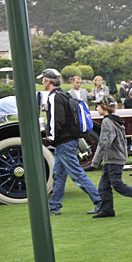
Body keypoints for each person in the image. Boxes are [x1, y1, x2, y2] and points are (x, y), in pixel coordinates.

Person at [42, 68, 100, 216]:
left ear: (48, 81)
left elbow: (56, 120)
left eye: (43, 79)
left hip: (64, 142)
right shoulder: (64, 94)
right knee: (59, 174)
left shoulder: (54, 97)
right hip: (71, 140)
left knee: (77, 174)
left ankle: (100, 201)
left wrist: (51, 138)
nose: (42, 82)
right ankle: (54, 206)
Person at [89, 96, 132, 218]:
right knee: (104, 185)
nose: (96, 108)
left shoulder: (107, 122)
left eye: (98, 105)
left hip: (114, 158)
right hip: (114, 157)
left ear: (104, 106)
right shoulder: (115, 120)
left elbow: (104, 142)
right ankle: (107, 210)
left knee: (117, 185)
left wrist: (95, 161)